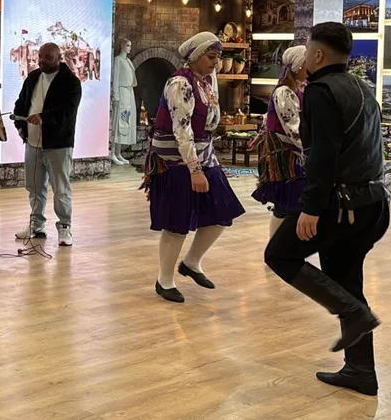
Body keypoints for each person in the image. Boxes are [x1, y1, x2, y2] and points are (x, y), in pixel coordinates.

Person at [265, 23, 390, 397]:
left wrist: (311, 208)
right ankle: (361, 370)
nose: (305, 55)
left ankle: (353, 315)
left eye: (307, 49)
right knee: (346, 282)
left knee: (279, 254)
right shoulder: (361, 88)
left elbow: (323, 154)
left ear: (318, 54)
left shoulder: (321, 91)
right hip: (372, 204)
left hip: (340, 204)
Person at [142, 32, 245, 303]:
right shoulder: (180, 83)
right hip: (175, 159)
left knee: (223, 211)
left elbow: (207, 124)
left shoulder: (206, 82)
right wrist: (194, 169)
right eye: (211, 57)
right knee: (177, 222)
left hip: (203, 152)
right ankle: (164, 280)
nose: (216, 62)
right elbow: (182, 130)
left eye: (218, 57)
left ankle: (191, 262)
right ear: (196, 56)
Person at [13, 43, 82, 247]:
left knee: (60, 188)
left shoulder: (71, 82)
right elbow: (21, 103)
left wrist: (44, 117)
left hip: (58, 144)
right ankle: (36, 224)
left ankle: (64, 227)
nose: (42, 61)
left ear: (59, 57)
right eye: (40, 57)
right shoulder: (33, 77)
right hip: (33, 142)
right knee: (34, 186)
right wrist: (20, 126)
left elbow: (68, 111)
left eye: (48, 57)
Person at [252, 45, 307, 238]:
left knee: (292, 202)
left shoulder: (299, 89)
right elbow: (292, 128)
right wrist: (310, 149)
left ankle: (285, 245)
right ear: (299, 66)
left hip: (294, 154)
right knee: (286, 203)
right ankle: (275, 246)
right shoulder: (284, 92)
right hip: (286, 155)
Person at [111, 38, 137, 165]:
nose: (129, 48)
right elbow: (115, 78)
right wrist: (115, 95)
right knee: (117, 123)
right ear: (122, 46)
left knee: (125, 122)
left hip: (128, 93)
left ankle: (118, 152)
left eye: (130, 45)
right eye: (127, 45)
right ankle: (112, 153)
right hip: (121, 93)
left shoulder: (128, 61)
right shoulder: (118, 60)